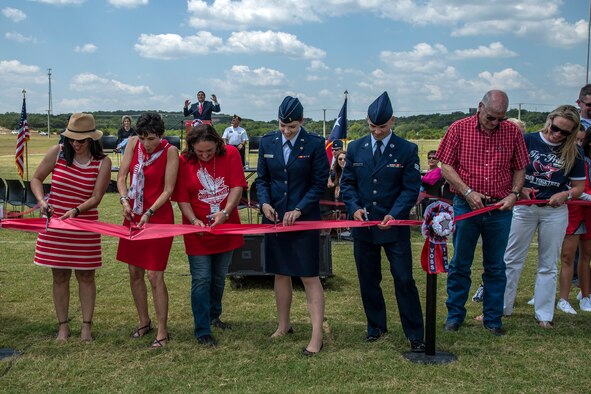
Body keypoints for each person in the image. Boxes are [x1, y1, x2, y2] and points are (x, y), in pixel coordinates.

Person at [436, 90, 529, 336]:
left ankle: (492, 318)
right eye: (491, 117)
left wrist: (514, 193)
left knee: (496, 266)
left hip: (499, 208)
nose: (496, 123)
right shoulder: (458, 128)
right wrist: (467, 192)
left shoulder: (512, 132)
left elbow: (520, 167)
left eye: (501, 118)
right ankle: (455, 315)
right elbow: (445, 165)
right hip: (466, 206)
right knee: (460, 264)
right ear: (479, 107)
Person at [340, 91, 425, 352]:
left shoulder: (407, 149)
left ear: (393, 122)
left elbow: (411, 189)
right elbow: (348, 184)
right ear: (367, 122)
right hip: (364, 228)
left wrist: (396, 213)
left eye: (382, 127)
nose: (377, 132)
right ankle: (375, 326)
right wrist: (353, 208)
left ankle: (415, 333)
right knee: (368, 279)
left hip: (394, 228)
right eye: (372, 126)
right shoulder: (355, 148)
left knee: (403, 279)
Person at [256, 96, 328, 356]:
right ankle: (283, 325)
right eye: (282, 126)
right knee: (280, 273)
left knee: (309, 275)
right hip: (273, 218)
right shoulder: (267, 142)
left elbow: (319, 184)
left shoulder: (316, 144)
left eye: (292, 127)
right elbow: (262, 180)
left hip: (304, 219)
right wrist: (263, 204)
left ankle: (317, 335)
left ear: (302, 121)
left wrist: (299, 209)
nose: (286, 131)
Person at [31, 113, 111, 341]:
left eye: (82, 140)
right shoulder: (57, 153)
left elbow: (97, 197)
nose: (76, 144)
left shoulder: (102, 163)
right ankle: (63, 327)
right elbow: (36, 179)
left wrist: (76, 211)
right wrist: (43, 201)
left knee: (86, 276)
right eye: (72, 139)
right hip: (56, 226)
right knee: (59, 276)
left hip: (84, 226)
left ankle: (86, 327)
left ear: (92, 140)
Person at [503, 105, 585, 328]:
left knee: (548, 264)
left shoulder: (575, 152)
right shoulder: (527, 140)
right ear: (550, 120)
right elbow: (510, 171)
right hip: (524, 207)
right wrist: (520, 189)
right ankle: (501, 308)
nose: (558, 134)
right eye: (556, 128)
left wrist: (565, 194)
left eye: (565, 132)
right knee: (511, 259)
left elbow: (579, 186)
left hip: (555, 211)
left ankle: (544, 314)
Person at [174, 124, 247, 347]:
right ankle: (202, 328)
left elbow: (237, 187)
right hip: (198, 232)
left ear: (218, 143)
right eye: (199, 152)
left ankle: (214, 315)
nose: (205, 156)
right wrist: (193, 220)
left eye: (209, 151)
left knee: (218, 277)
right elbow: (182, 198)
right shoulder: (184, 161)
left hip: (225, 226)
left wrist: (225, 213)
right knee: (202, 279)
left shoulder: (232, 154)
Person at [116, 112, 179, 348]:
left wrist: (149, 212)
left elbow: (168, 189)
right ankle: (144, 321)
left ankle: (162, 331)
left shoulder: (171, 152)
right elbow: (122, 176)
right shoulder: (133, 144)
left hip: (158, 217)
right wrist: (124, 200)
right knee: (134, 273)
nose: (146, 143)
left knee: (155, 275)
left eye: (151, 138)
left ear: (160, 135)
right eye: (142, 138)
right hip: (133, 215)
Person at [557, 124, 590, 315]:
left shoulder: (582, 160)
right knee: (566, 256)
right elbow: (575, 189)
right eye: (575, 140)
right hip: (571, 211)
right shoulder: (567, 158)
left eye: (581, 141)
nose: (578, 144)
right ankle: (562, 298)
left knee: (586, 256)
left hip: (585, 211)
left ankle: (586, 295)